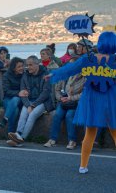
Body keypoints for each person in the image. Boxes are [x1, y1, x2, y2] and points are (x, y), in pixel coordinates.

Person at [48, 32, 116, 174]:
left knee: (89, 133)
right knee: (115, 132)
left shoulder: (88, 58)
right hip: (110, 99)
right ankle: (82, 165)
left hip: (91, 99)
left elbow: (69, 69)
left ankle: (83, 166)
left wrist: (53, 75)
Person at [7, 55, 53, 147]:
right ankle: (18, 134)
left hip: (42, 102)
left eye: (31, 65)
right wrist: (28, 105)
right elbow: (23, 92)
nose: (28, 67)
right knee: (23, 114)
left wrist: (33, 106)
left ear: (37, 64)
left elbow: (45, 93)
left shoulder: (45, 74)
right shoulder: (25, 75)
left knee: (32, 115)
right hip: (29, 101)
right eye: (27, 65)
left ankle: (21, 138)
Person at [44, 56, 85, 150]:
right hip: (64, 102)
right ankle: (52, 139)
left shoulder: (84, 77)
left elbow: (84, 94)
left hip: (76, 102)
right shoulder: (65, 75)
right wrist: (61, 98)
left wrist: (70, 98)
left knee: (69, 116)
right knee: (57, 115)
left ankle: (72, 140)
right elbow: (57, 89)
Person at [0, 57, 24, 133]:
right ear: (13, 68)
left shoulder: (24, 75)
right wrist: (17, 93)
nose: (21, 68)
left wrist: (19, 94)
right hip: (8, 99)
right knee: (15, 110)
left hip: (20, 99)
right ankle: (11, 134)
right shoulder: (7, 75)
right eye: (19, 67)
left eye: (22, 66)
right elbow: (6, 91)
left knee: (16, 99)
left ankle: (5, 119)